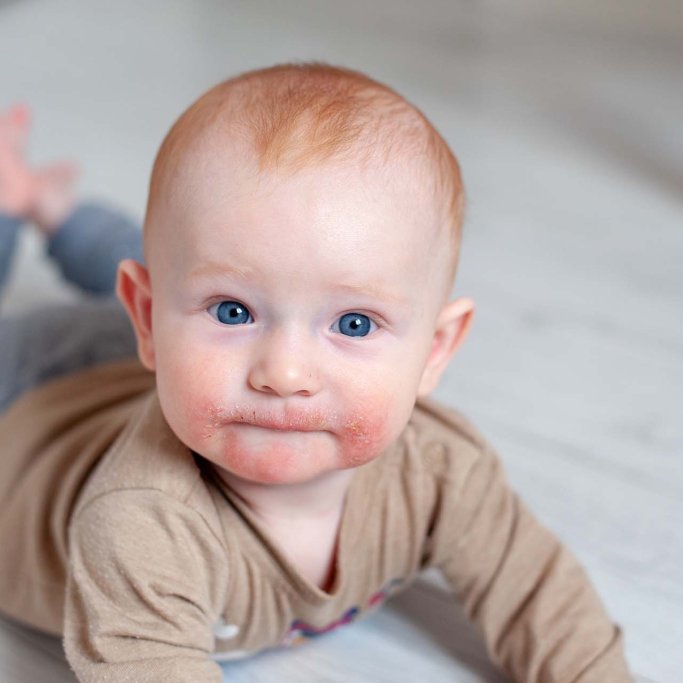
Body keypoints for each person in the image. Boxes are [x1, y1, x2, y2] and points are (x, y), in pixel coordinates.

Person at [0, 65, 632, 682]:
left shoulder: (441, 474)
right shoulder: (142, 523)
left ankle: (58, 210)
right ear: (150, 323)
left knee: (197, 266)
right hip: (26, 412)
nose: (285, 372)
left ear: (435, 350)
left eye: (354, 324)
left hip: (154, 365)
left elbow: (538, 597)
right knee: (183, 261)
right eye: (234, 312)